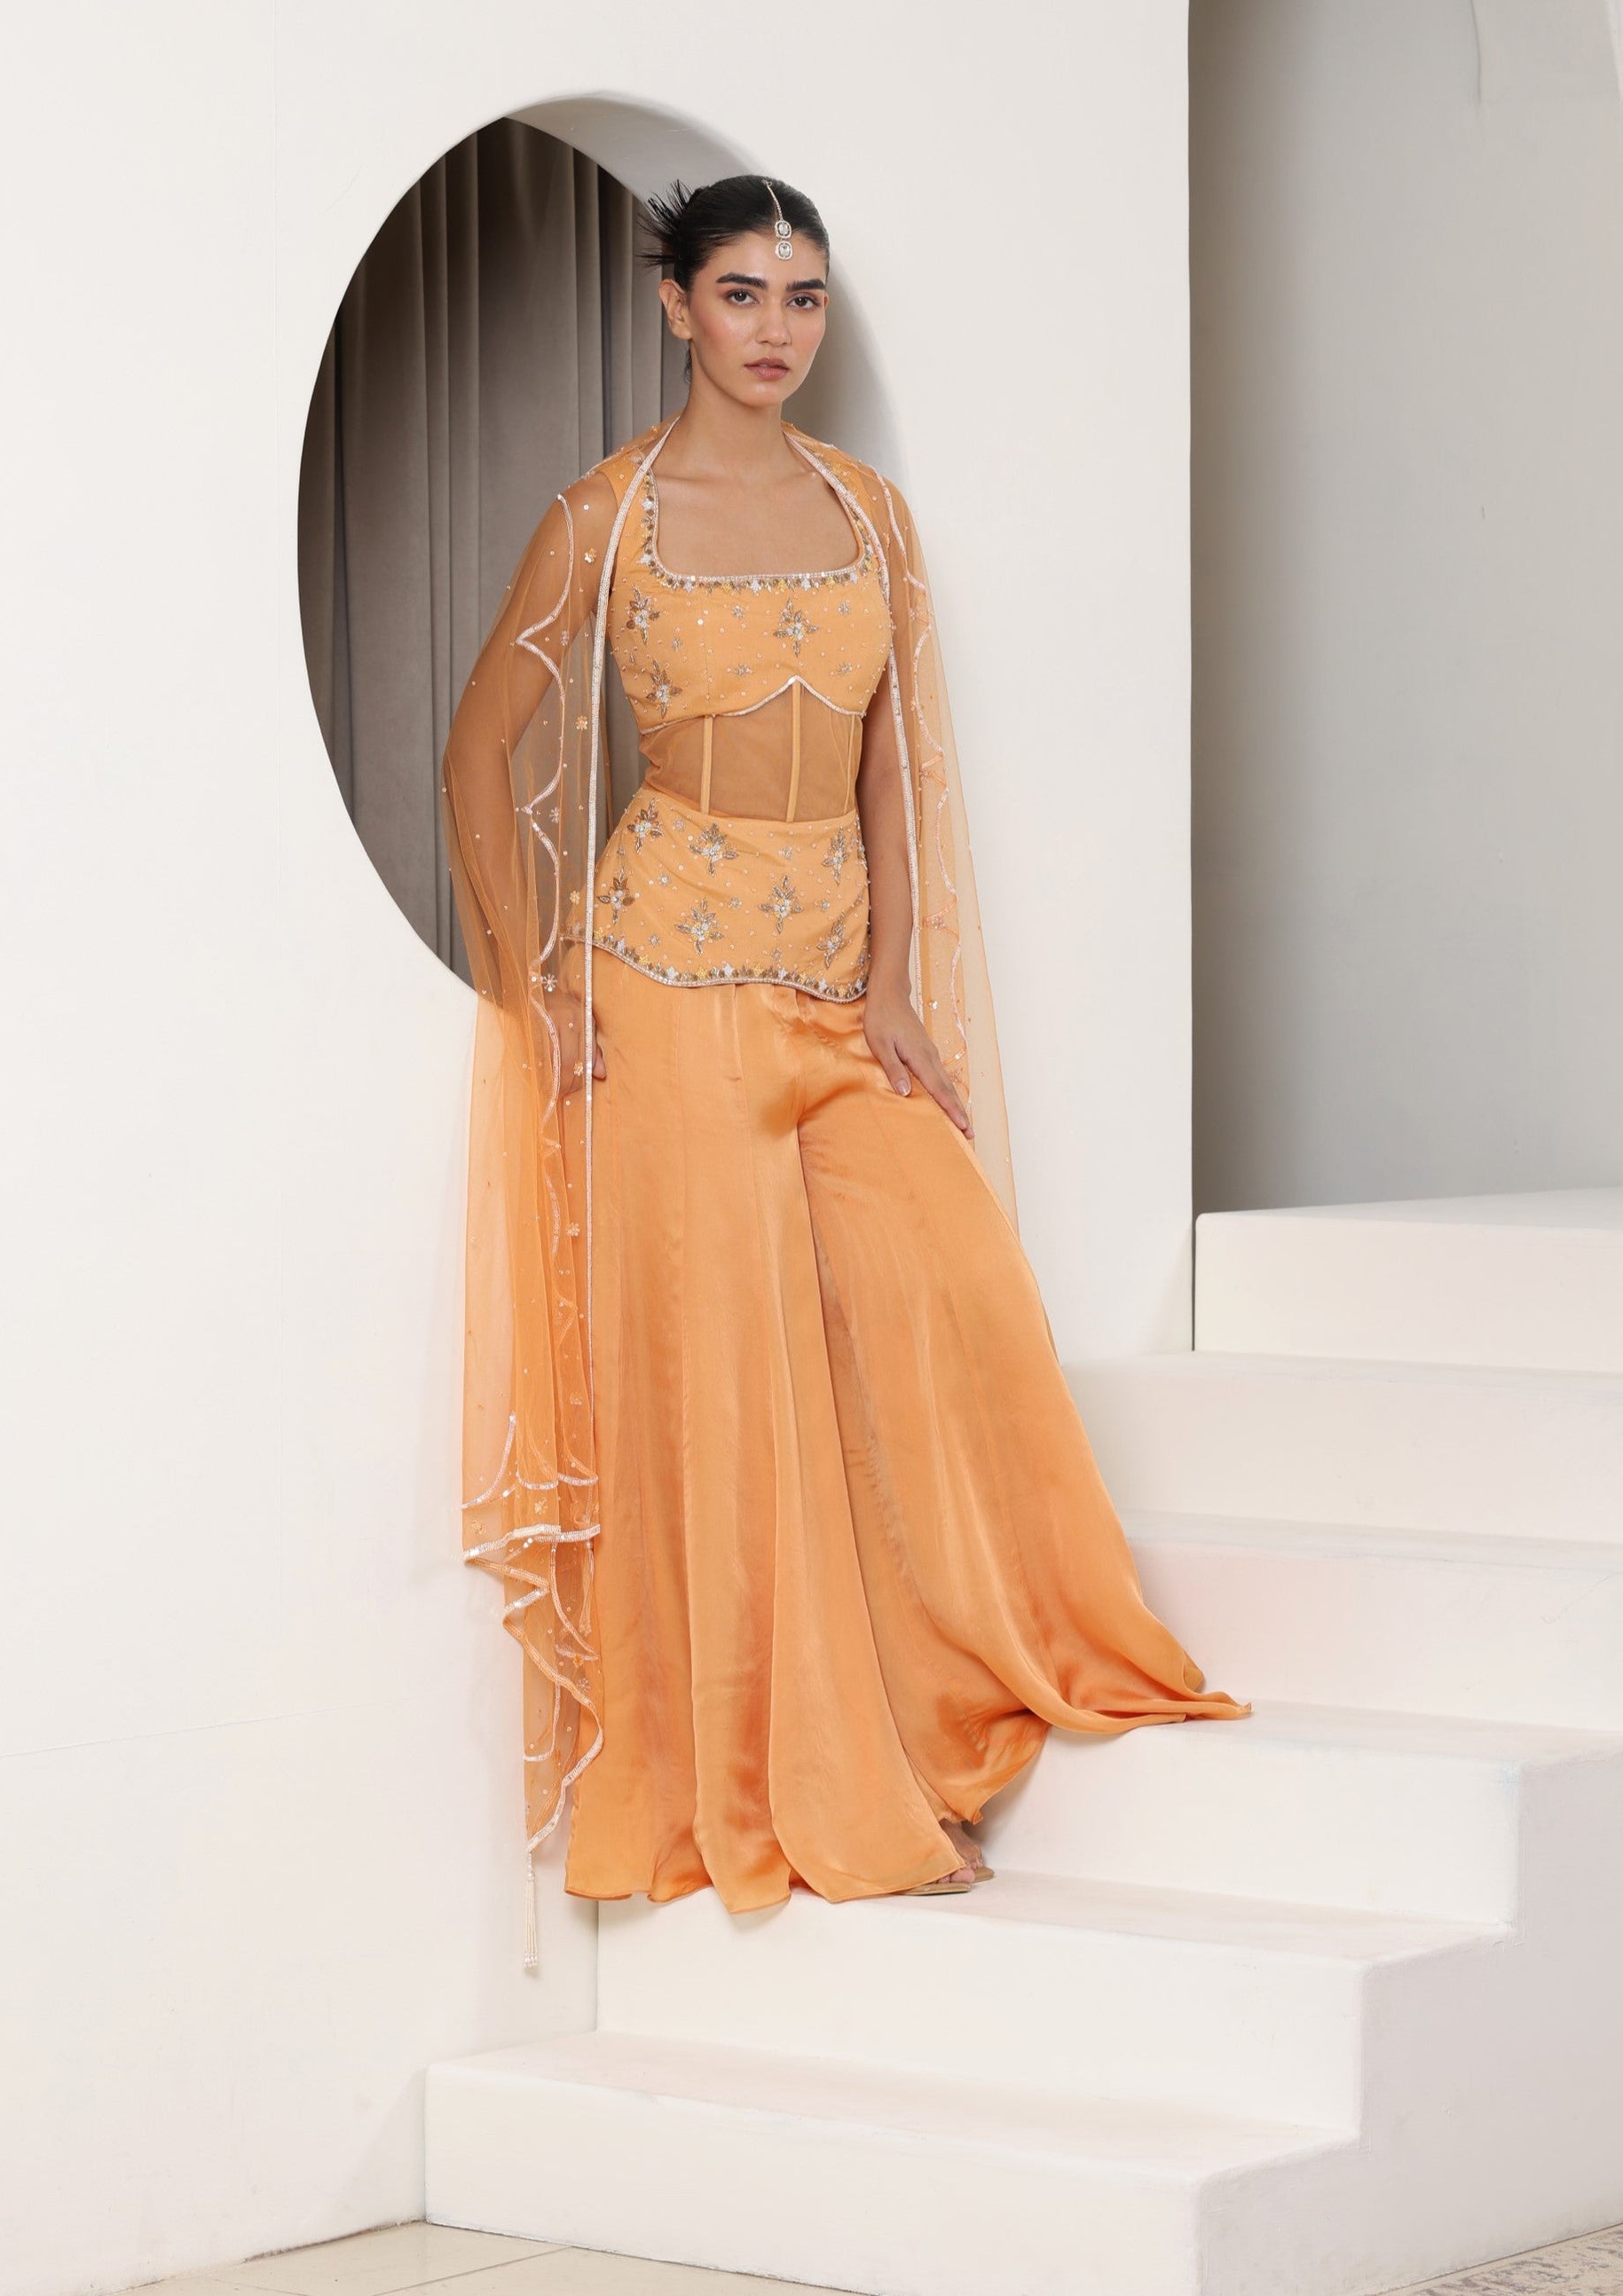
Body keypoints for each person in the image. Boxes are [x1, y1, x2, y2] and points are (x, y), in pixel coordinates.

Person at [442, 174, 1246, 1935]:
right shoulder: (609, 515)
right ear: (675, 309)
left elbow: (895, 769)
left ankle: (958, 1694)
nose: (774, 328)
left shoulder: (869, 512)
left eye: (801, 297)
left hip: (828, 986)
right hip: (662, 972)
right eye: (739, 293)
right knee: (731, 1393)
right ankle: (794, 1784)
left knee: (946, 1289)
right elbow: (481, 753)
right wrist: (537, 980)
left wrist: (891, 986)